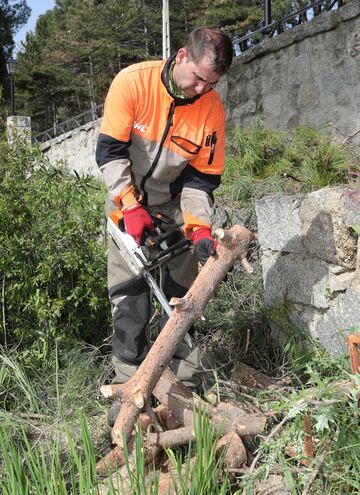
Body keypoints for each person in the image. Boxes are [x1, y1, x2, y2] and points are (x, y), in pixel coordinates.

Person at [96, 26, 233, 424]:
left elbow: (201, 180)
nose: (200, 89)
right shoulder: (133, 83)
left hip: (174, 203)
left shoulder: (211, 109)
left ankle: (184, 386)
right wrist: (129, 205)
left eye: (211, 83)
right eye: (197, 78)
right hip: (128, 197)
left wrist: (200, 230)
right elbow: (109, 151)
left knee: (184, 294)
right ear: (181, 56)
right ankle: (128, 389)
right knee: (129, 293)